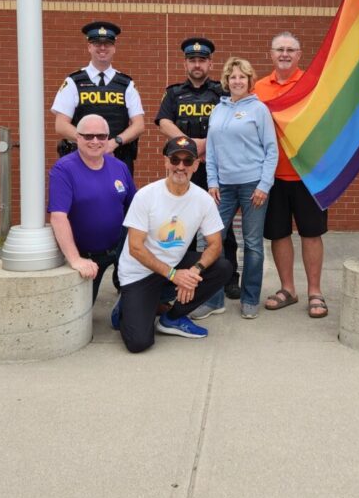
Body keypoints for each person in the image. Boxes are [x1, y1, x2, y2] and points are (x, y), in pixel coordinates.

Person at [113, 137, 233, 353]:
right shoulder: (146, 196)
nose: (181, 166)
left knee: (222, 267)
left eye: (188, 161)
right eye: (175, 160)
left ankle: (172, 318)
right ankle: (126, 307)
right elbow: (135, 248)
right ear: (166, 162)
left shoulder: (202, 199)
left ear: (196, 165)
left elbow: (215, 244)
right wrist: (174, 275)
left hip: (174, 266)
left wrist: (194, 273)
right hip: (139, 273)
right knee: (139, 343)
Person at [154, 37, 241, 299]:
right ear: (186, 64)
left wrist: (206, 146)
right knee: (184, 223)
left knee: (221, 226)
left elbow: (233, 122)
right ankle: (184, 274)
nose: (197, 64)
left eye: (202, 60)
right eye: (192, 60)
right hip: (184, 167)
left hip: (215, 170)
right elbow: (163, 122)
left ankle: (229, 278)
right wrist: (192, 148)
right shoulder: (174, 93)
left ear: (210, 63)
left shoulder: (221, 92)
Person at [193, 57, 278, 320]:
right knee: (210, 240)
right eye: (233, 77)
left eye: (242, 77)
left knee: (252, 243)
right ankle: (213, 299)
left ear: (249, 81)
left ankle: (250, 298)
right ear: (226, 81)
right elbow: (212, 151)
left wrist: (264, 184)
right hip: (223, 188)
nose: (237, 81)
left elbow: (271, 150)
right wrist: (213, 182)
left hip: (253, 185)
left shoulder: (259, 109)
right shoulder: (218, 110)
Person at [253, 32, 329, 318]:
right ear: (270, 54)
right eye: (279, 49)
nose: (284, 54)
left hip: (308, 175)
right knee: (279, 234)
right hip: (270, 177)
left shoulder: (312, 85)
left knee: (311, 234)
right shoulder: (257, 88)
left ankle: (314, 292)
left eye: (290, 50)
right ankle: (288, 289)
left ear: (300, 55)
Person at [48, 114, 136, 304]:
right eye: (88, 136)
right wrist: (75, 260)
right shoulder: (63, 169)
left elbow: (135, 208)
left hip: (119, 249)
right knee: (80, 312)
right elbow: (58, 217)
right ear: (77, 137)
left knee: (133, 311)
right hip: (87, 256)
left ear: (108, 138)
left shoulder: (120, 167)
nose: (95, 141)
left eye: (101, 136)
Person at [51, 20, 145, 176]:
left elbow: (139, 125)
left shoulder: (126, 84)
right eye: (97, 43)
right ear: (89, 47)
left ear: (114, 48)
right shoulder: (74, 81)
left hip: (117, 158)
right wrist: (93, 146)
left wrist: (113, 143)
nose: (102, 48)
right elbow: (60, 125)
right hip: (80, 160)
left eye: (107, 44)